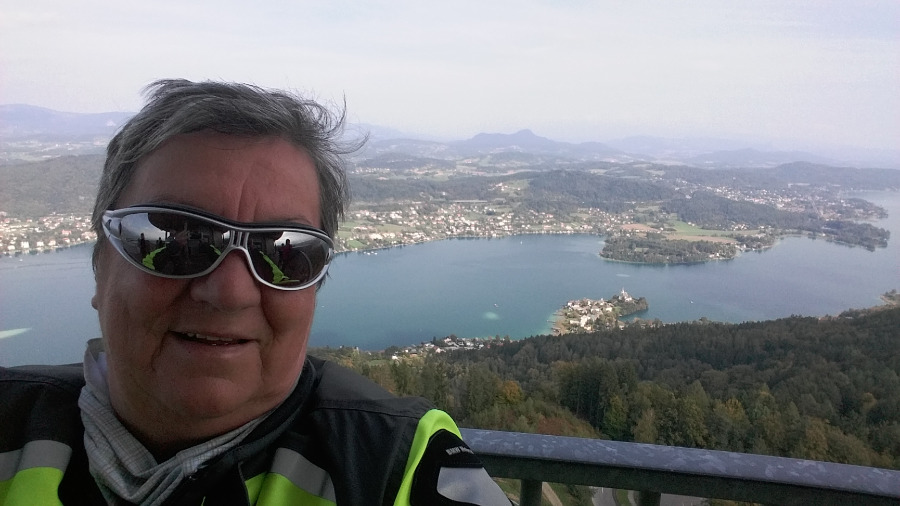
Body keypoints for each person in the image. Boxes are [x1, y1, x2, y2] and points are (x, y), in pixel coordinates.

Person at [0, 80, 511, 506]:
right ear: (100, 264)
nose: (230, 292)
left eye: (285, 254)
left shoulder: (393, 463)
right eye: (173, 241)